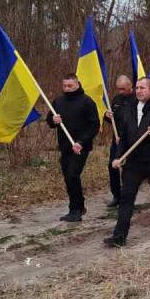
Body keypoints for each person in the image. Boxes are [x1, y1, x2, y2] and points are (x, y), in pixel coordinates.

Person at [104, 77, 150, 247]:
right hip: (133, 163)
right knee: (126, 198)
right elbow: (122, 137)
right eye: (137, 88)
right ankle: (119, 236)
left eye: (143, 88)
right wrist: (118, 156)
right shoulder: (129, 108)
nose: (139, 91)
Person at [47, 72, 101, 223]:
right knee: (68, 178)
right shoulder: (58, 101)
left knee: (72, 175)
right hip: (64, 146)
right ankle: (76, 207)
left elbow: (94, 125)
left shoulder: (87, 102)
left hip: (80, 147)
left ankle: (76, 210)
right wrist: (53, 119)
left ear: (77, 85)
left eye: (70, 86)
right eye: (64, 86)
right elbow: (49, 121)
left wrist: (82, 142)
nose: (67, 88)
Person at [105, 75, 135, 208]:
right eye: (118, 89)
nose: (120, 91)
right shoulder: (116, 99)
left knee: (129, 170)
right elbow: (112, 120)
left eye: (123, 89)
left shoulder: (137, 99)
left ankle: (127, 197)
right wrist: (107, 116)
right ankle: (116, 195)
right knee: (112, 166)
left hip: (132, 140)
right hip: (116, 140)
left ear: (130, 86)